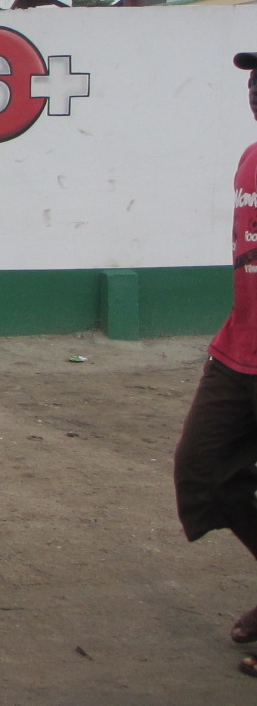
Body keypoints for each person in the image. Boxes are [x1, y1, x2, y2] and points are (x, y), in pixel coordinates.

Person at [174, 50, 257, 677]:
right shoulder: (251, 158)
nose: (255, 88)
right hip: (238, 351)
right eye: (254, 78)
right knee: (204, 472)